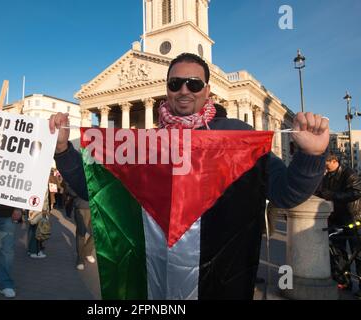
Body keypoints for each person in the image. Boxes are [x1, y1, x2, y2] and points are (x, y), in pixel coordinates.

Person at [49, 53, 329, 299]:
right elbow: (96, 189)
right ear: (167, 89)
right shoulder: (148, 142)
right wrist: (63, 150)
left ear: (207, 91)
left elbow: (286, 193)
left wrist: (311, 157)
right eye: (175, 83)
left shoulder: (235, 135)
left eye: (193, 84)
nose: (184, 90)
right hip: (157, 274)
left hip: (218, 274)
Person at [315, 152, 361, 298]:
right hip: (336, 219)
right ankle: (345, 281)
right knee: (338, 253)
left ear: (334, 161)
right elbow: (321, 192)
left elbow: (357, 192)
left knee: (358, 254)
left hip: (353, 219)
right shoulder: (327, 176)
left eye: (326, 162)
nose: (324, 165)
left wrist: (333, 196)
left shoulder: (349, 174)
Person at [66, 184, 96, 270]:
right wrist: (81, 191)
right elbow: (69, 188)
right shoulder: (76, 172)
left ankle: (87, 252)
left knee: (97, 233)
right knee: (81, 233)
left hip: (96, 207)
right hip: (82, 206)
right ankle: (80, 259)